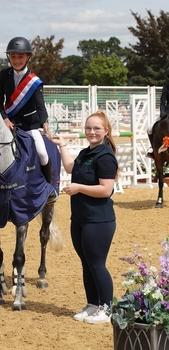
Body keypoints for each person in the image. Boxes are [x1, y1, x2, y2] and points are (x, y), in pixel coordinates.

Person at [50, 110, 118, 324]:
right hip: (80, 218)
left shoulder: (105, 156)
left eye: (96, 128)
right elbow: (71, 167)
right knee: (87, 264)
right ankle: (92, 305)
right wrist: (62, 145)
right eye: (88, 128)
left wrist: (79, 187)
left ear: (106, 131)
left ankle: (107, 309)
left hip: (99, 219)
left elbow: (106, 190)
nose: (91, 132)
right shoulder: (86, 153)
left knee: (97, 264)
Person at [0, 36, 57, 203]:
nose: (16, 60)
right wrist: (5, 119)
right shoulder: (3, 75)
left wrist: (44, 122)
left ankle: (49, 189)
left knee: (42, 153)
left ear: (28, 57)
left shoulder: (34, 81)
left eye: (20, 56)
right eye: (13, 56)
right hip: (8, 125)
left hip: (30, 126)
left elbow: (40, 106)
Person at [146, 67, 169, 159]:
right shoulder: (166, 88)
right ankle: (153, 150)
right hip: (167, 112)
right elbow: (163, 102)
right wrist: (162, 112)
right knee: (150, 128)